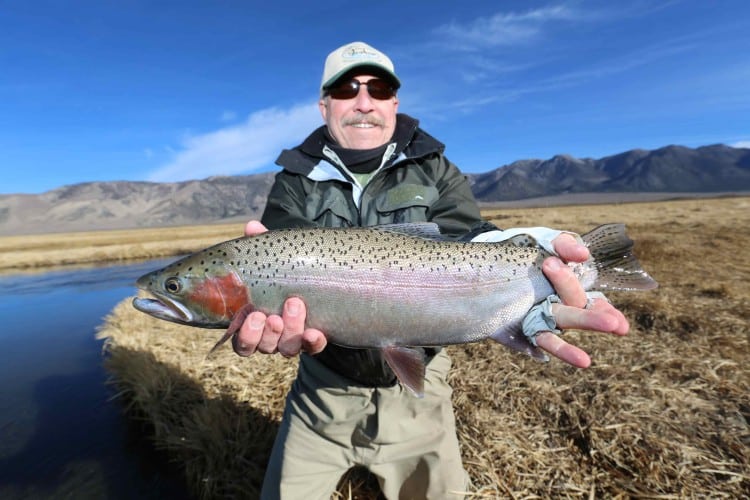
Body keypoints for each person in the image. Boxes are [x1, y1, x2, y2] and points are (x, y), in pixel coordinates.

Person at [234, 42, 629, 499]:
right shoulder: (294, 180)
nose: (364, 102)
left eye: (378, 89)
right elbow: (275, 275)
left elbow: (473, 239)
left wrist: (540, 254)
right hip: (321, 394)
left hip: (424, 396)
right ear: (324, 106)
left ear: (394, 104)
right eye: (347, 90)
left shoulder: (435, 167)